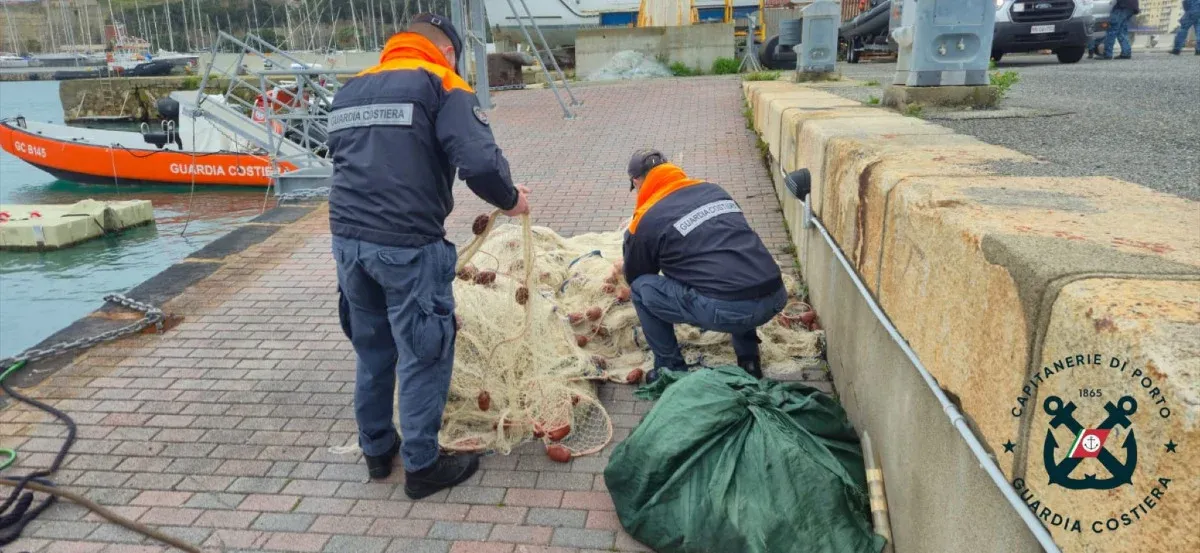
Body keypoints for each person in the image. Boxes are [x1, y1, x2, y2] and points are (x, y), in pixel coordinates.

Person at [325, 13, 531, 499]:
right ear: (448, 51)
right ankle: (422, 465)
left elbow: (341, 157)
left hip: (348, 242)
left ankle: (377, 451)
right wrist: (510, 200)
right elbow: (478, 162)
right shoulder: (443, 81)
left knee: (373, 349)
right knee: (424, 350)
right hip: (406, 245)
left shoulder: (350, 88)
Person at [618, 149, 788, 383]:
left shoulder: (645, 219)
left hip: (727, 310)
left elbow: (637, 275)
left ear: (637, 181)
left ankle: (670, 370)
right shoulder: (713, 190)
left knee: (640, 289)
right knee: (731, 270)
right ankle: (749, 361)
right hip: (776, 295)